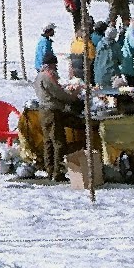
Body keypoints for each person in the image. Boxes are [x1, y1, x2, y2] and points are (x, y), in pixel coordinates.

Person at [34, 53, 83, 182]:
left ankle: (50, 170)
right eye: (54, 64)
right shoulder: (47, 76)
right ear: (50, 64)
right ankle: (58, 172)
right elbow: (59, 94)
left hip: (44, 111)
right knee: (58, 142)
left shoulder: (39, 76)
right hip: (52, 111)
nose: (56, 67)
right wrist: (72, 96)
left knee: (48, 142)